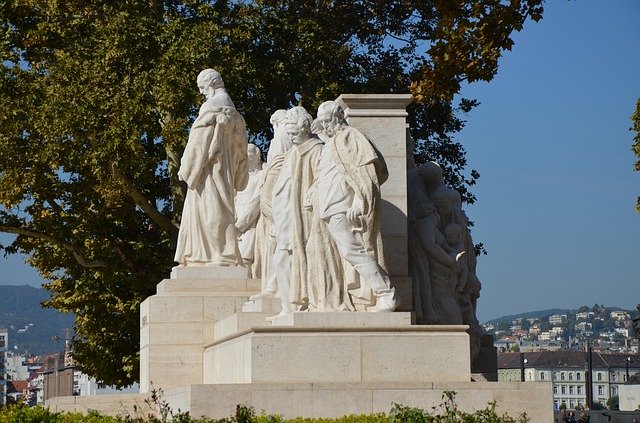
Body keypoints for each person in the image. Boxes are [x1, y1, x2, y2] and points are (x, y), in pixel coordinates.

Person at [311, 101, 397, 311]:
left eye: (327, 120)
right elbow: (325, 174)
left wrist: (360, 200)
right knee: (346, 251)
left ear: (338, 117)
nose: (324, 125)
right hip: (328, 205)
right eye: (321, 122)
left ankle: (386, 293)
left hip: (342, 203)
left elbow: (367, 171)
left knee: (351, 250)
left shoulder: (351, 136)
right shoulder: (330, 143)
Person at [174, 68, 248, 267]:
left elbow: (200, 140)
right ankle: (207, 255)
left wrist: (186, 167)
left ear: (212, 83)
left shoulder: (212, 106)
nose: (200, 92)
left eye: (202, 86)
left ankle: (223, 255)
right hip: (222, 168)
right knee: (215, 208)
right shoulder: (232, 110)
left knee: (212, 208)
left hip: (209, 168)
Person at [235, 143, 263, 274]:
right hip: (235, 220)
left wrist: (240, 224)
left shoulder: (262, 175)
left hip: (249, 223)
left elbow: (256, 201)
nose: (247, 156)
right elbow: (233, 196)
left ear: (257, 156)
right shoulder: (240, 175)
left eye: (250, 153)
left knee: (245, 258)